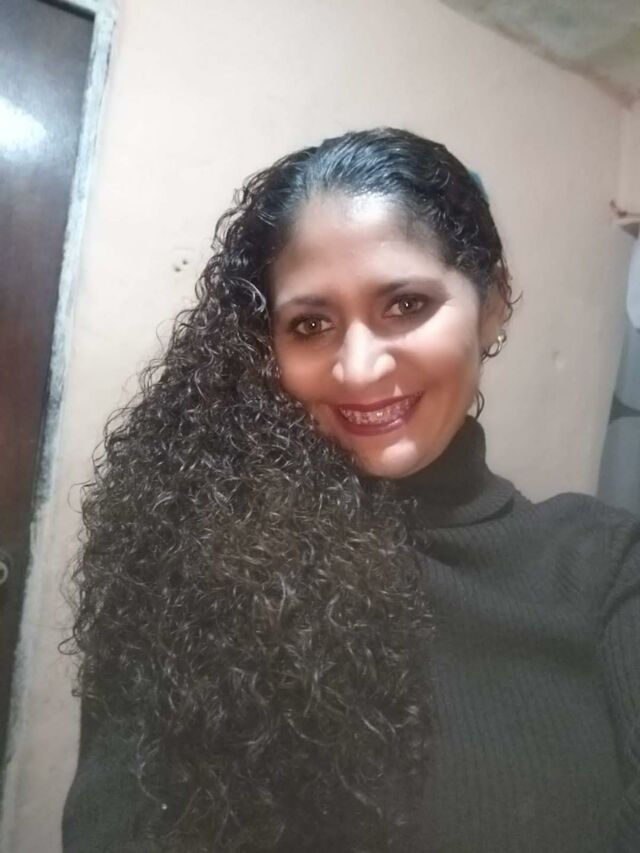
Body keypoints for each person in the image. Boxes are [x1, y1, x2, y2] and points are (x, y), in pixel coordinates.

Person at [62, 128, 640, 853]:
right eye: (311, 324)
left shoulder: (604, 569)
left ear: (493, 302)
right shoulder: (194, 561)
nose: (359, 369)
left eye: (405, 305)